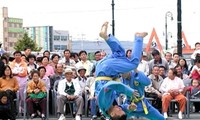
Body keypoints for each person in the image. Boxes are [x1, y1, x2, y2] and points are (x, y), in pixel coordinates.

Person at [95, 21, 148, 96]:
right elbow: (117, 88)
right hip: (102, 67)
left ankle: (138, 38)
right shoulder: (111, 96)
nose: (119, 108)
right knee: (120, 52)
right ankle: (106, 37)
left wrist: (129, 91)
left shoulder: (105, 103)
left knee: (133, 64)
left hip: (105, 70)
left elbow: (114, 86)